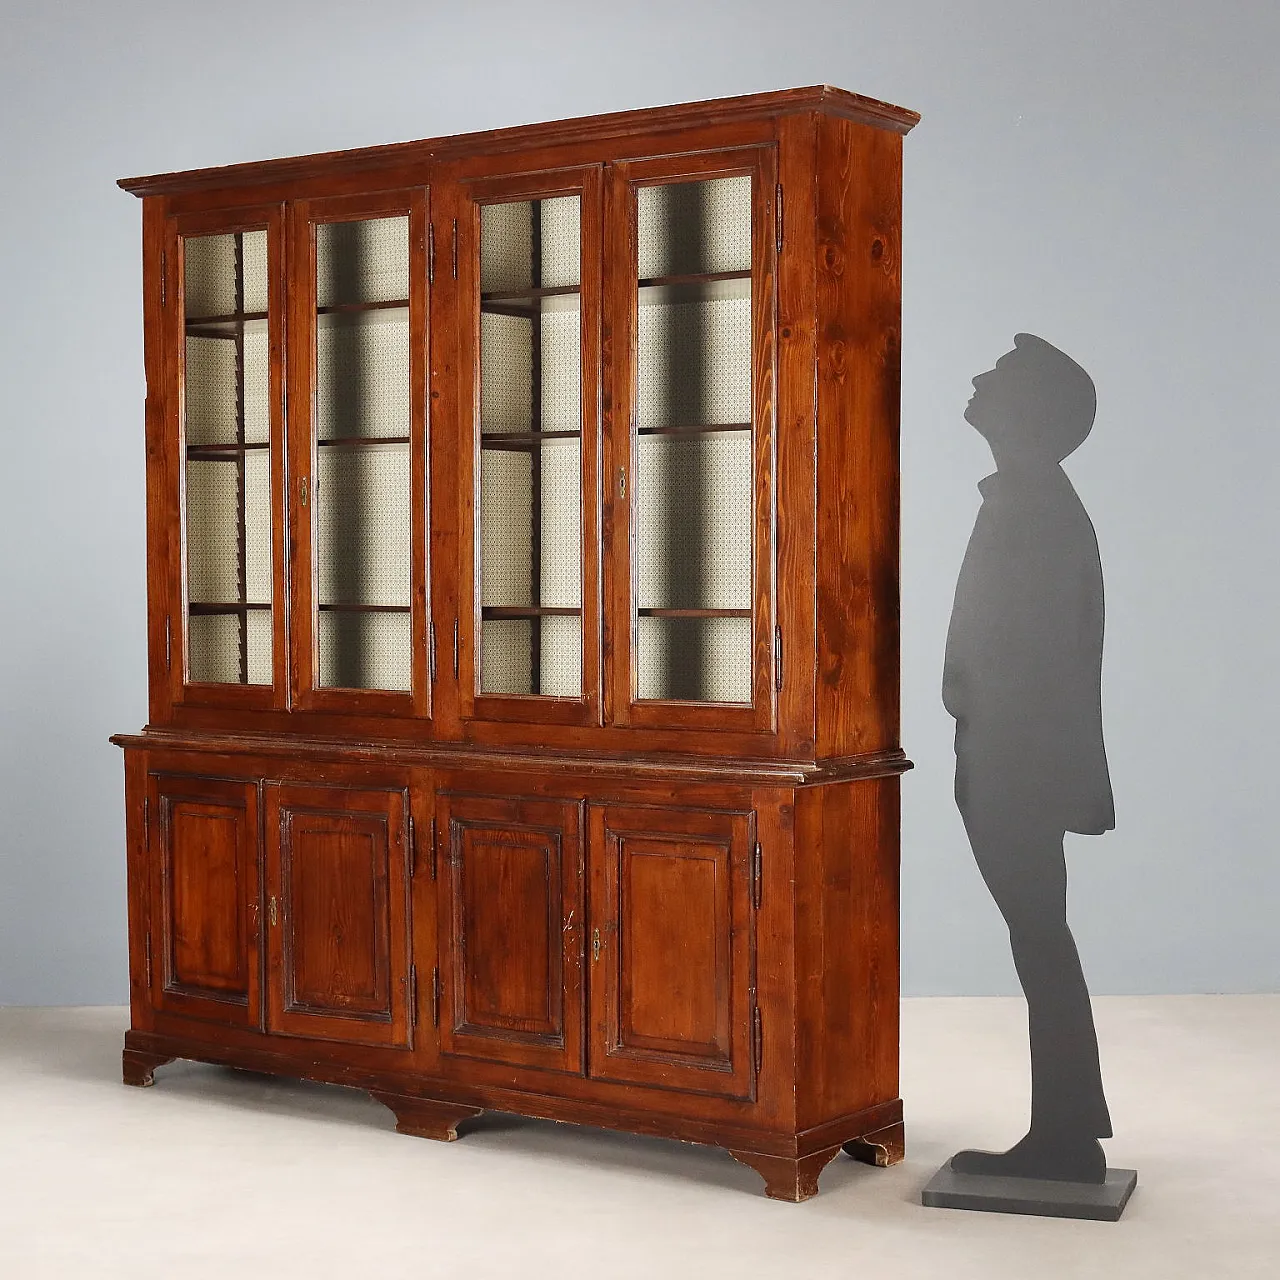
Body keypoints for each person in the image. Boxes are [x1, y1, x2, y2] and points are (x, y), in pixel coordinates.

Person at [943, 333, 1114, 1182]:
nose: (980, 377)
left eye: (1001, 376)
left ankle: (1066, 1136)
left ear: (1032, 411)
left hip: (1018, 761)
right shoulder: (1030, 499)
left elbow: (1038, 654)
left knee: (1040, 938)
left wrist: (984, 729)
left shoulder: (1035, 507)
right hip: (1010, 754)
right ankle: (1069, 1127)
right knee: (1041, 938)